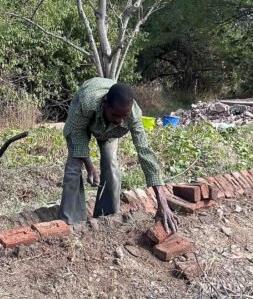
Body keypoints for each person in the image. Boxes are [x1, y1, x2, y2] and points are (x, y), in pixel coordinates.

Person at [60, 78, 178, 233]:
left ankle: (106, 217)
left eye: (124, 116)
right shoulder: (87, 102)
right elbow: (77, 136)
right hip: (82, 124)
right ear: (105, 102)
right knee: (74, 166)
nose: (119, 120)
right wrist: (90, 167)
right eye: (115, 114)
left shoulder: (132, 114)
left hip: (109, 133)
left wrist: (162, 203)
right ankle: (71, 222)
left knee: (111, 164)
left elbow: (145, 153)